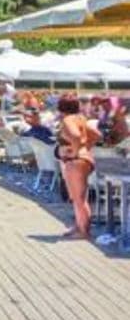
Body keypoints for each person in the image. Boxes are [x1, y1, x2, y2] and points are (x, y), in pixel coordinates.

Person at [57, 95, 100, 240]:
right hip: (85, 159)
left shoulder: (67, 120)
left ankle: (84, 231)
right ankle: (79, 225)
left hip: (76, 161)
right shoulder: (81, 118)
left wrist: (74, 152)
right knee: (79, 197)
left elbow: (75, 136)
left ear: (61, 107)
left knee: (79, 198)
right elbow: (96, 134)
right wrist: (85, 147)